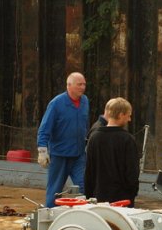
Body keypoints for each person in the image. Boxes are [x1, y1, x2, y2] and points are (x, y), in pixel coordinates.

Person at [37, 72, 89, 207]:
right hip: (59, 155)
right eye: (79, 84)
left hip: (78, 154)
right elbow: (44, 128)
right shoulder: (56, 104)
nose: (83, 87)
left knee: (84, 188)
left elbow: (85, 125)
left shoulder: (85, 101)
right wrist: (42, 151)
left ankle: (84, 218)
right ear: (69, 85)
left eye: (84, 84)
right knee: (55, 190)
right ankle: (49, 220)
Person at [85, 97, 140, 206]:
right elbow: (132, 173)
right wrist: (132, 194)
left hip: (98, 197)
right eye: (128, 115)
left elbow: (89, 171)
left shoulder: (94, 138)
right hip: (122, 200)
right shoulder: (127, 140)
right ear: (120, 115)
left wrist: (89, 196)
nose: (129, 119)